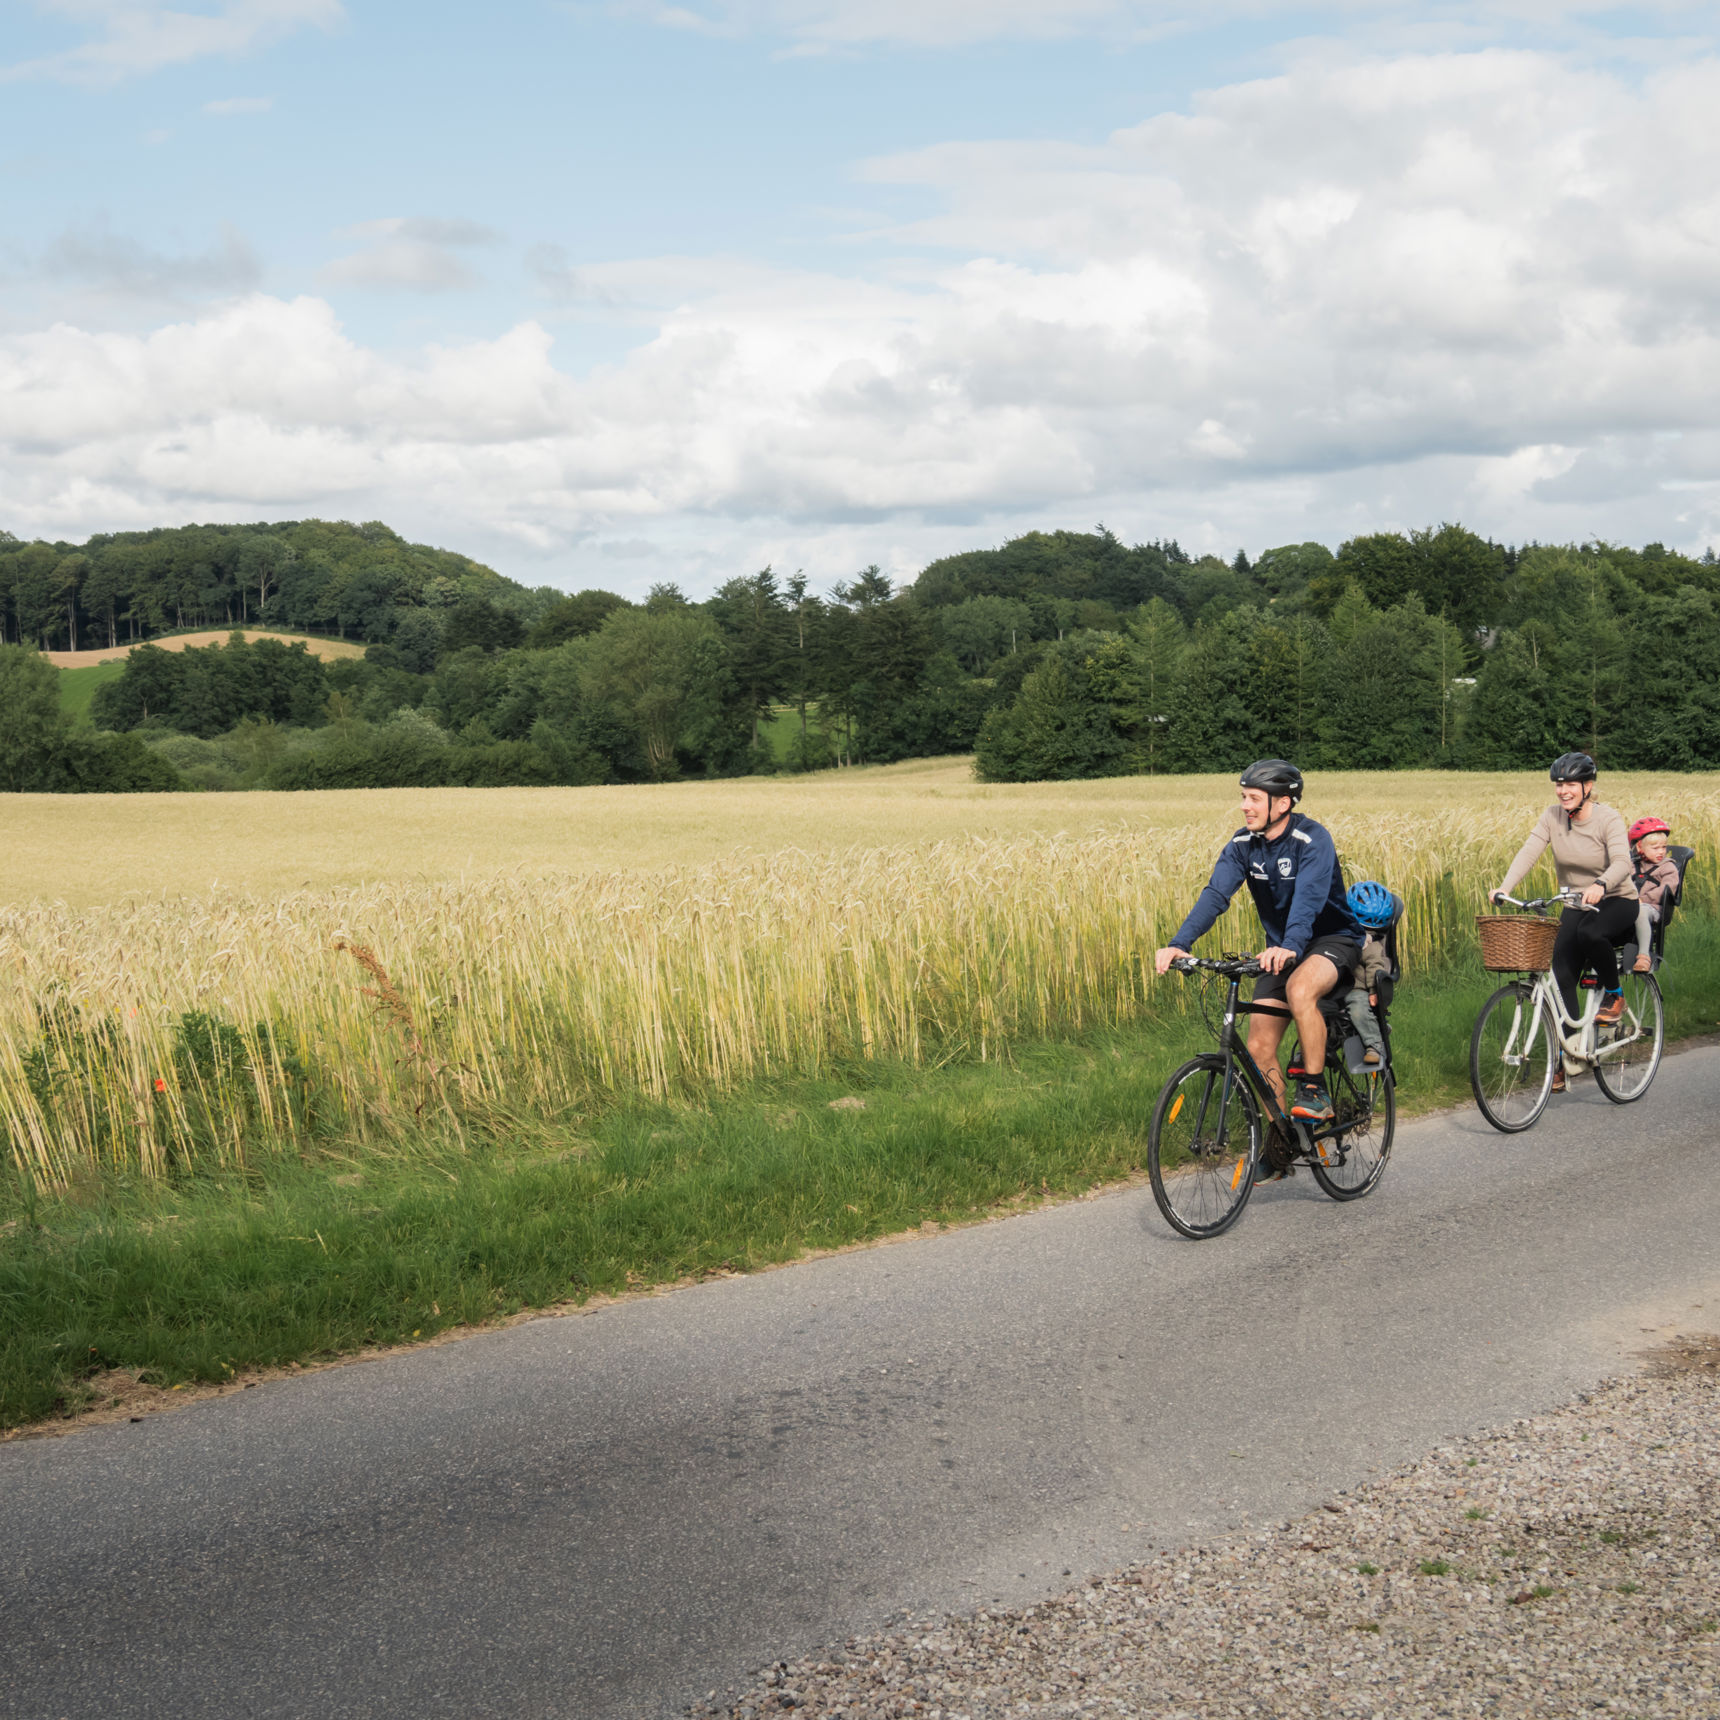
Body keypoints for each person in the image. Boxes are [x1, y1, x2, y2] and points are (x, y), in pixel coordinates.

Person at [1155, 759, 1363, 1132]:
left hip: (1332, 940)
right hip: (1281, 948)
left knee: (1300, 989)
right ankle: (1282, 1139)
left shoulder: (1313, 840)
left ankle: (1315, 1091)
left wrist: (1291, 947)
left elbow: (1308, 900)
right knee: (1259, 1047)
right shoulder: (1241, 845)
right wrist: (1179, 943)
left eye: (1253, 798)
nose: (1244, 806)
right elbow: (1216, 895)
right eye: (1243, 797)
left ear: (1282, 804)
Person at [1492, 752, 1638, 1090]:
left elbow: (1622, 862)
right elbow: (1530, 850)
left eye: (1570, 784)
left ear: (1587, 786)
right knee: (1560, 975)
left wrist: (1601, 884)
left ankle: (1614, 995)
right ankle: (1569, 1054)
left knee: (1591, 934)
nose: (1563, 790)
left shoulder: (1608, 819)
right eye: (1559, 784)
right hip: (1576, 901)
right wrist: (1505, 887)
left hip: (1617, 898)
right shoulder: (1552, 817)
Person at [1342, 879, 1396, 1067]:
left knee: (1358, 1009)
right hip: (1333, 987)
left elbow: (1376, 965)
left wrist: (1374, 989)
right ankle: (1307, 1052)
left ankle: (1375, 1043)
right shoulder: (1339, 933)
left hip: (1357, 988)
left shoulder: (1369, 944)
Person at [1627, 816, 1679, 974]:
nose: (1661, 852)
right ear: (1640, 848)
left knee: (1641, 910)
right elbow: (1620, 882)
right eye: (1655, 848)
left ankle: (1644, 956)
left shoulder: (1667, 867)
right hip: (1631, 905)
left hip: (1653, 908)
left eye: (1663, 847)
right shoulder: (1632, 865)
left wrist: (1642, 899)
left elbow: (1667, 889)